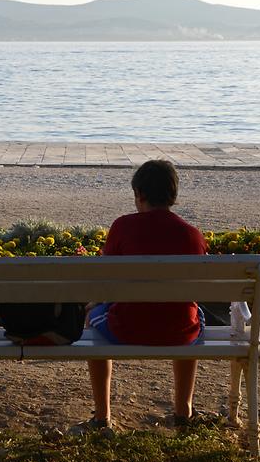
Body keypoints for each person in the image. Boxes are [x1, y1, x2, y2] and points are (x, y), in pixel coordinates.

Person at [76, 159, 207, 433]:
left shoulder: (123, 226)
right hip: (180, 331)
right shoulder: (193, 235)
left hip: (127, 328)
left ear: (140, 194)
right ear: (173, 195)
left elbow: (106, 281)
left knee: (92, 317)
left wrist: (95, 304)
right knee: (192, 311)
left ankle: (102, 418)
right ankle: (184, 411)